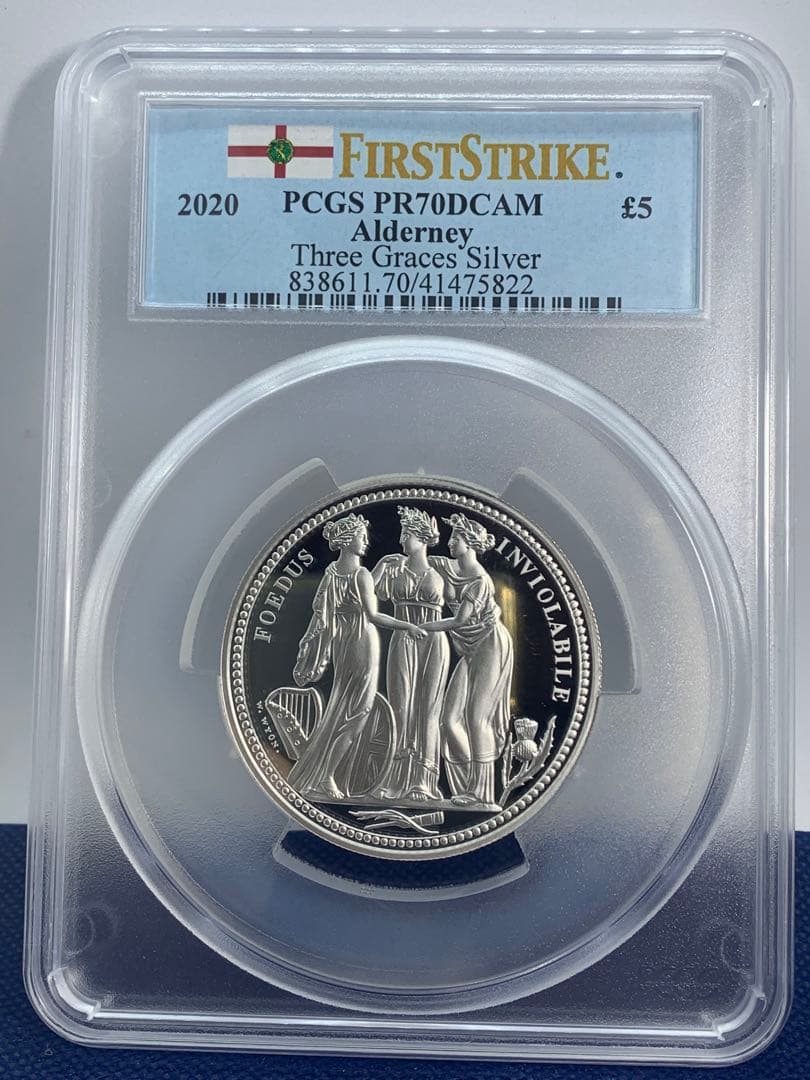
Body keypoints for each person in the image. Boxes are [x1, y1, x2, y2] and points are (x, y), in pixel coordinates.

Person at [288, 513, 425, 801]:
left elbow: (355, 596)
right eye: (362, 537)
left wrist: (381, 566)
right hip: (363, 640)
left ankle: (321, 773)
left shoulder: (331, 572)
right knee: (358, 712)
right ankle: (327, 776)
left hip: (343, 642)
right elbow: (372, 614)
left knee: (341, 704)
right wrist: (408, 626)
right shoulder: (360, 574)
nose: (366, 542)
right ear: (348, 539)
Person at [425, 512, 514, 810]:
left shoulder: (480, 580)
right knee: (449, 719)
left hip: (490, 644)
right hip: (469, 649)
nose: (450, 543)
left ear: (470, 543)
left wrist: (419, 626)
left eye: (456, 538)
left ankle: (484, 793)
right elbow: (418, 560)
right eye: (451, 537)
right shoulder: (446, 566)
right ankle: (468, 785)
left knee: (477, 718)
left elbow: (459, 620)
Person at [372, 507, 450, 802]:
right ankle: (394, 779)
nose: (401, 540)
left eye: (406, 534)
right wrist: (381, 564)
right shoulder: (393, 568)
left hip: (433, 643)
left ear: (422, 537)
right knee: (400, 708)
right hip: (402, 639)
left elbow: (468, 610)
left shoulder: (442, 571)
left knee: (428, 710)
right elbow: (367, 598)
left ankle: (423, 782)